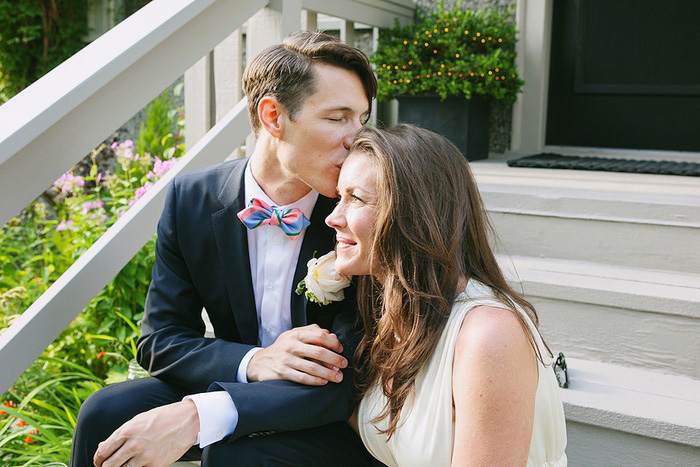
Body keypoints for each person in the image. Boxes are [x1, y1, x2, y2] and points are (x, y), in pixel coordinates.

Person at [71, 31, 378, 467]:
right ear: (272, 116)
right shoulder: (192, 198)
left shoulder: (362, 211)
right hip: (236, 378)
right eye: (337, 118)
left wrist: (203, 414)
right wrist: (254, 361)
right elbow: (161, 339)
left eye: (361, 119)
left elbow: (350, 378)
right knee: (105, 413)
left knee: (234, 452)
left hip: (331, 412)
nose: (357, 139)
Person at [325, 124, 568, 466]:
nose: (332, 218)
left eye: (356, 199)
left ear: (413, 214)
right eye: (339, 197)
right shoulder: (399, 314)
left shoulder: (489, 336)